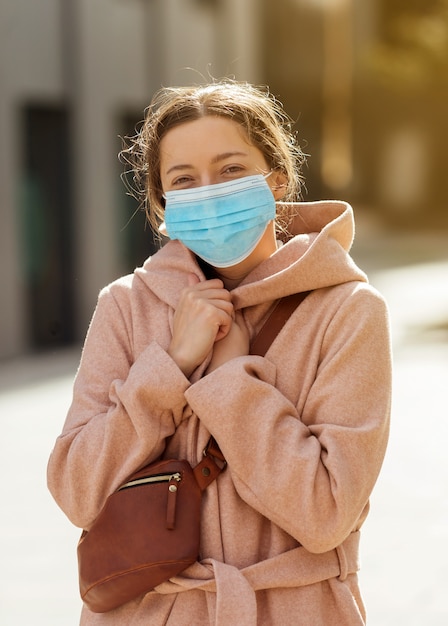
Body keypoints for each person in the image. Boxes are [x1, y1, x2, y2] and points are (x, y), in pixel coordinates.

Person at [47, 80, 392, 625]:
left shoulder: (346, 311)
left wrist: (231, 381)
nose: (209, 192)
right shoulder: (125, 307)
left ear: (276, 179)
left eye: (231, 170)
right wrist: (171, 368)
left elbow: (325, 513)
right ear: (164, 204)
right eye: (184, 180)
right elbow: (77, 492)